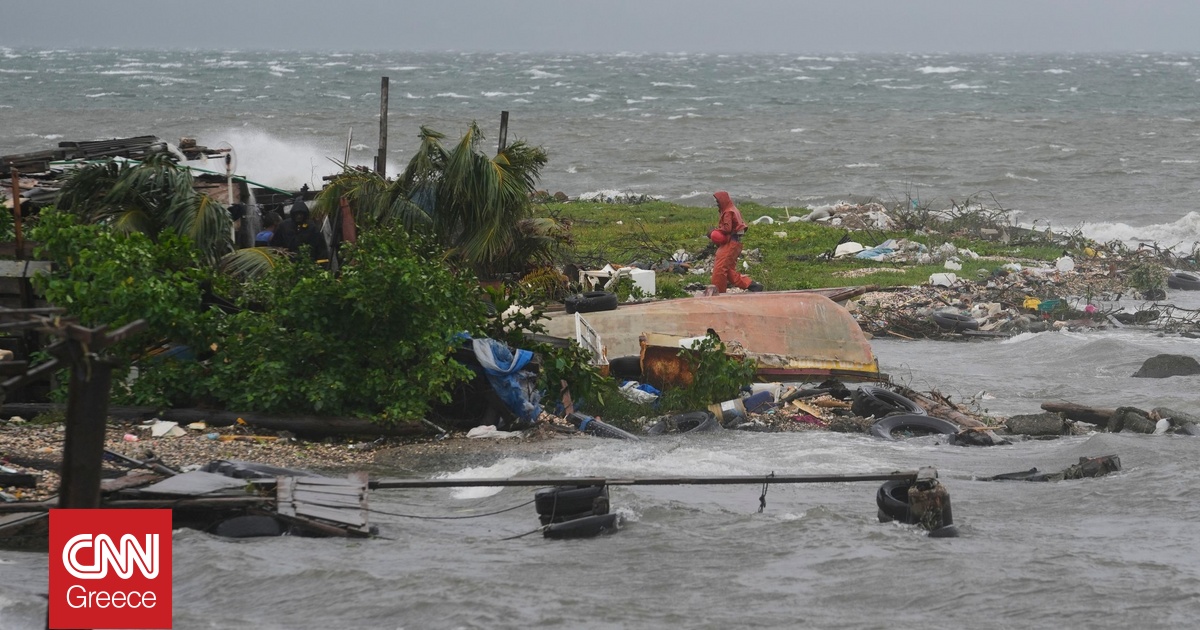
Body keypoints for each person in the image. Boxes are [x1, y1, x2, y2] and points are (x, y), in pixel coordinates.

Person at [709, 191, 763, 293]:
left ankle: (718, 292)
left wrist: (715, 231)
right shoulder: (733, 209)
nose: (717, 203)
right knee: (729, 271)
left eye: (718, 201)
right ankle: (752, 285)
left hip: (730, 243)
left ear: (722, 200)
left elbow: (727, 228)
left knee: (719, 268)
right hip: (735, 243)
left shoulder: (728, 211)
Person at [270, 196, 330, 264]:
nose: (299, 216)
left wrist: (322, 263)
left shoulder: (312, 227)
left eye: (301, 214)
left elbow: (320, 247)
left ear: (305, 214)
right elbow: (274, 243)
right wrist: (279, 250)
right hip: (288, 262)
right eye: (297, 214)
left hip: (307, 262)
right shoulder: (284, 226)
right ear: (293, 214)